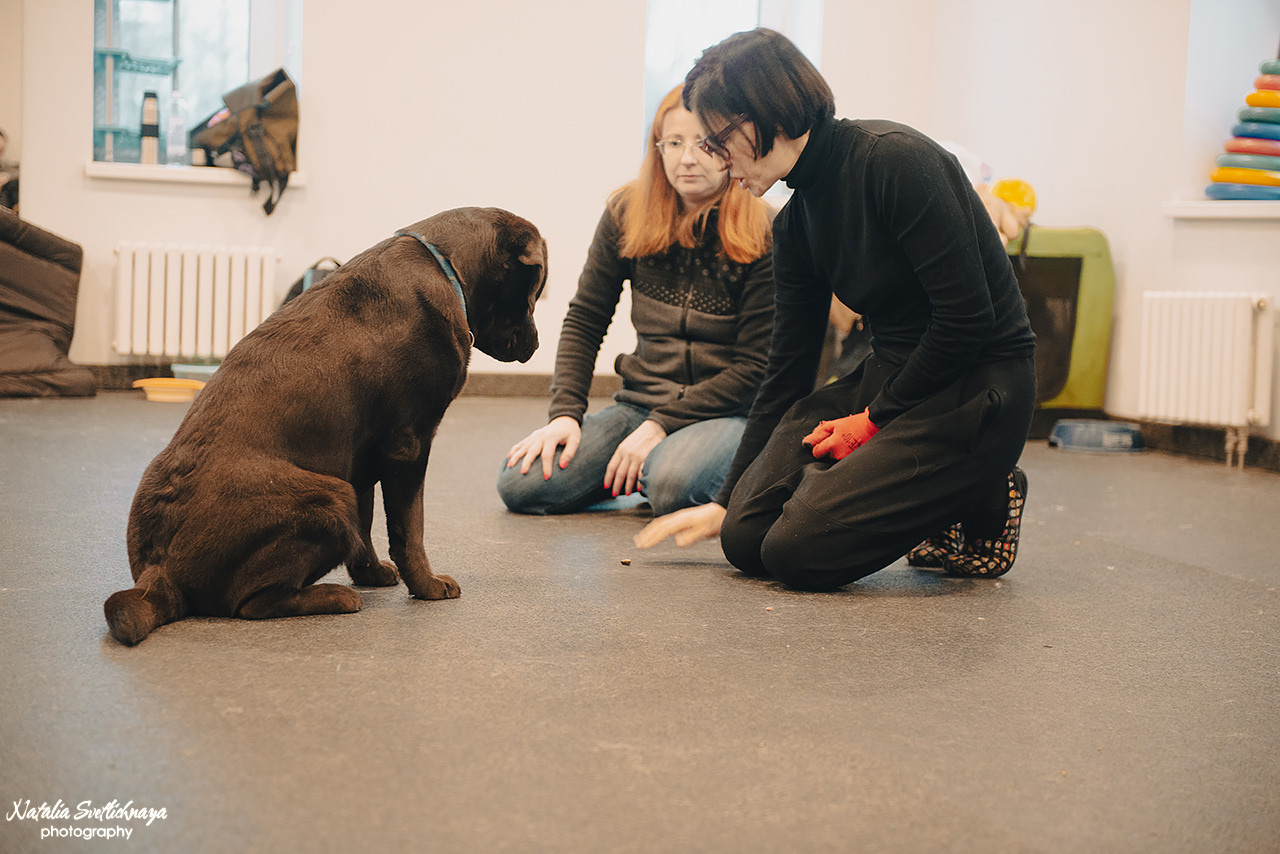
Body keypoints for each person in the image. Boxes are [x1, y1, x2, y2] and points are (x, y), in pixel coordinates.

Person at [634, 29, 1037, 589]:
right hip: (893, 374)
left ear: (764, 116)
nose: (720, 163)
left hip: (978, 385)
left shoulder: (896, 160)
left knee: (798, 550)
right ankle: (918, 487)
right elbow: (787, 369)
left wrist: (873, 421)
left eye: (719, 142)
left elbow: (968, 321)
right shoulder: (796, 224)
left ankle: (981, 489)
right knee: (745, 538)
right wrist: (726, 500)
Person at [498, 84, 775, 516]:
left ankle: (684, 466)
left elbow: (755, 368)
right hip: (640, 404)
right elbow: (585, 319)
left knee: (669, 483)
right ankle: (647, 467)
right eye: (674, 142)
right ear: (657, 148)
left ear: (729, 148)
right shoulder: (626, 212)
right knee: (521, 482)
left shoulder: (765, 228)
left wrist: (663, 425)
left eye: (704, 143)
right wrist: (565, 414)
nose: (688, 157)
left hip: (728, 414)